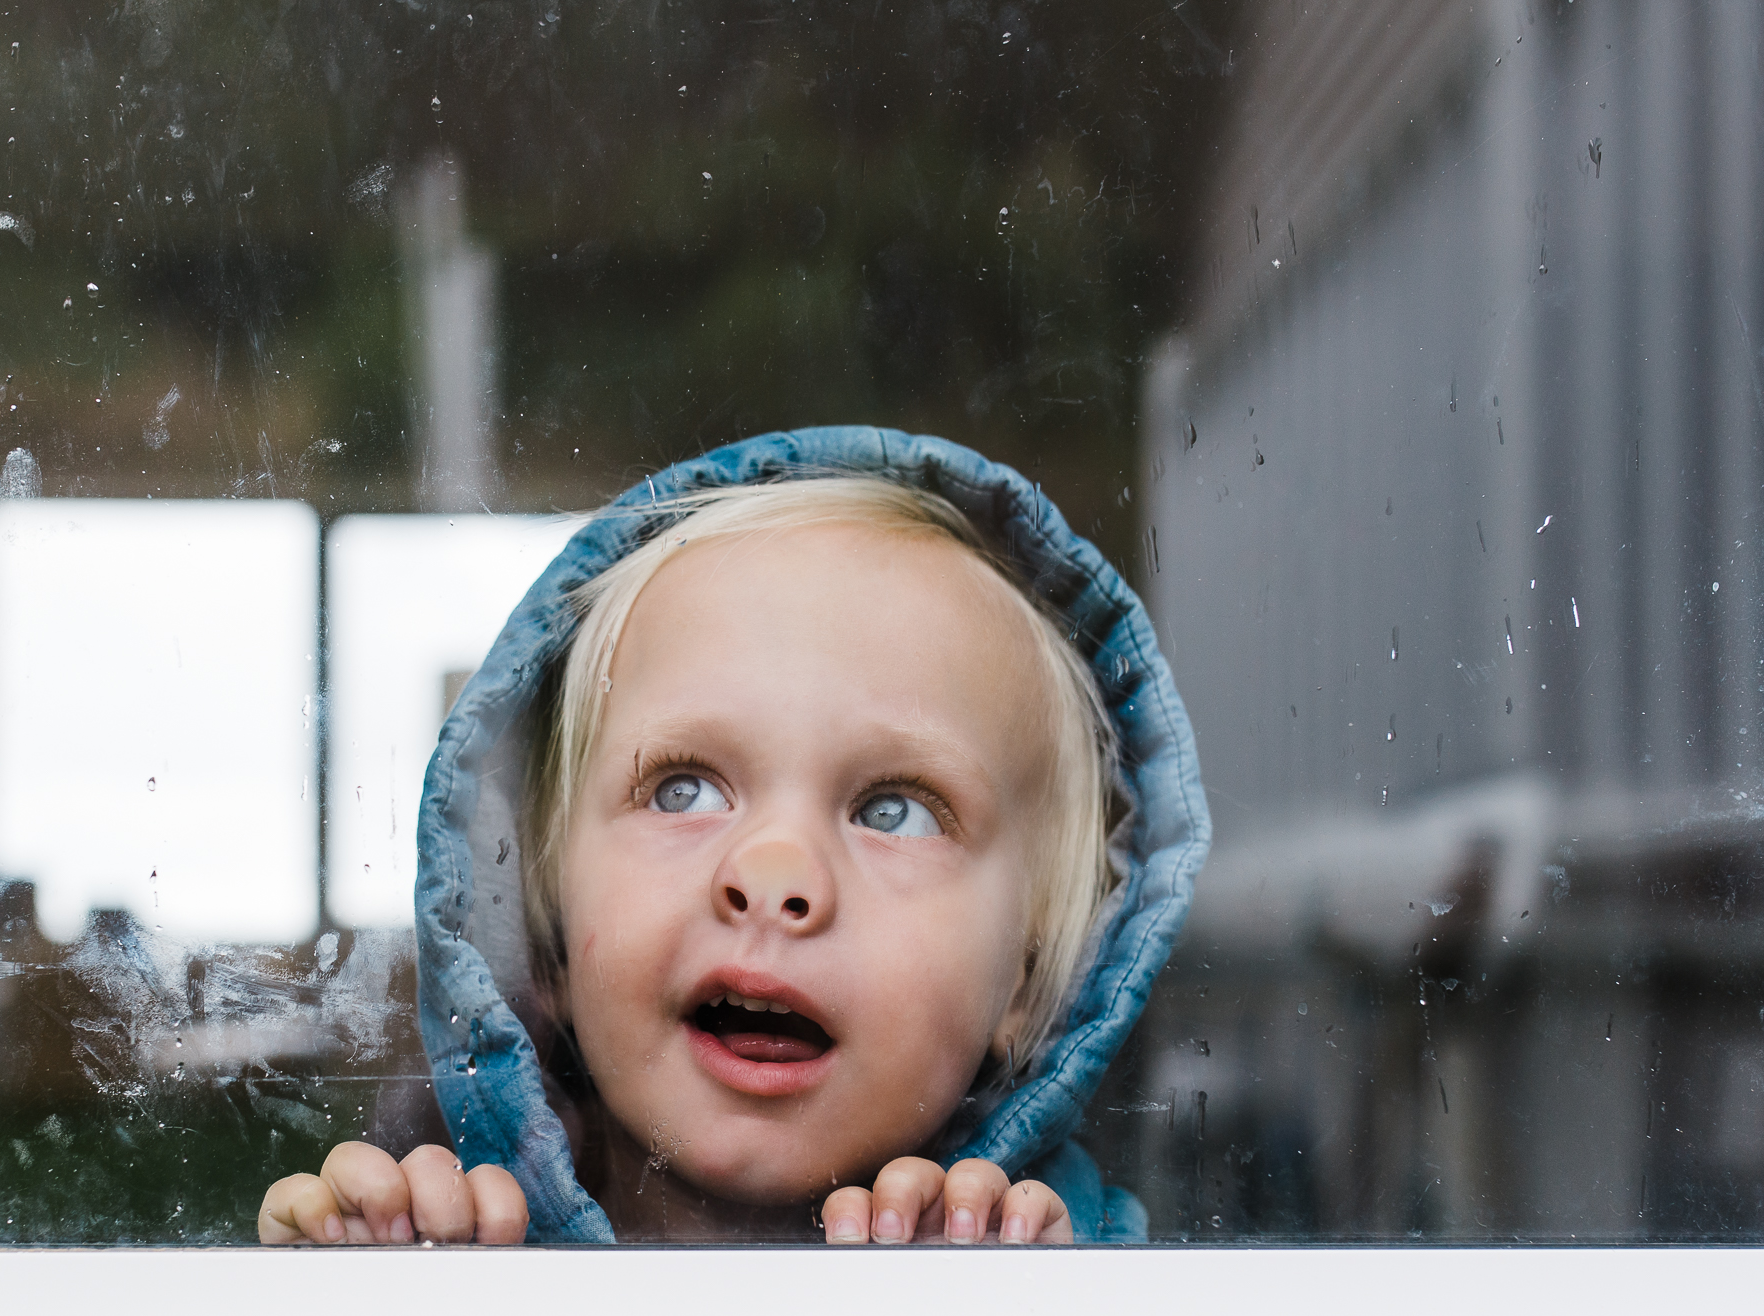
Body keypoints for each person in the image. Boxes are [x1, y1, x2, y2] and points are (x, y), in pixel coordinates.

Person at [258, 428, 1208, 1244]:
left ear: (1031, 978)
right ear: (543, 924)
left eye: (895, 809)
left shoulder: (1069, 1271)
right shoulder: (450, 1249)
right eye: (682, 789)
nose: (775, 875)